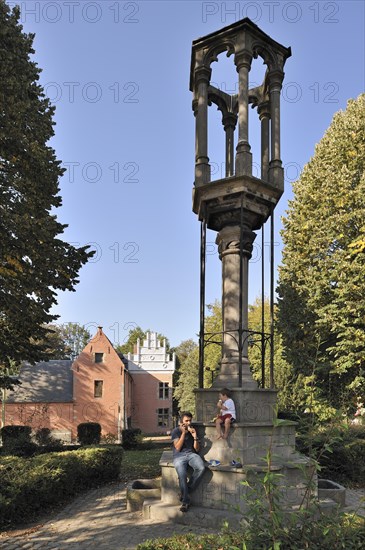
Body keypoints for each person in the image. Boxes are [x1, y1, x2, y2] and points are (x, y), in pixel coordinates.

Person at [171, 411, 205, 512]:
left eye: (190, 421)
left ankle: (186, 490)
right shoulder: (176, 431)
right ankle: (185, 501)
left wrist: (195, 437)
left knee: (201, 468)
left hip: (191, 455)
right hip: (179, 457)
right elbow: (177, 447)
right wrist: (183, 433)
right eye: (186, 421)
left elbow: (197, 449)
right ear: (181, 421)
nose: (188, 423)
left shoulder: (193, 430)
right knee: (182, 475)